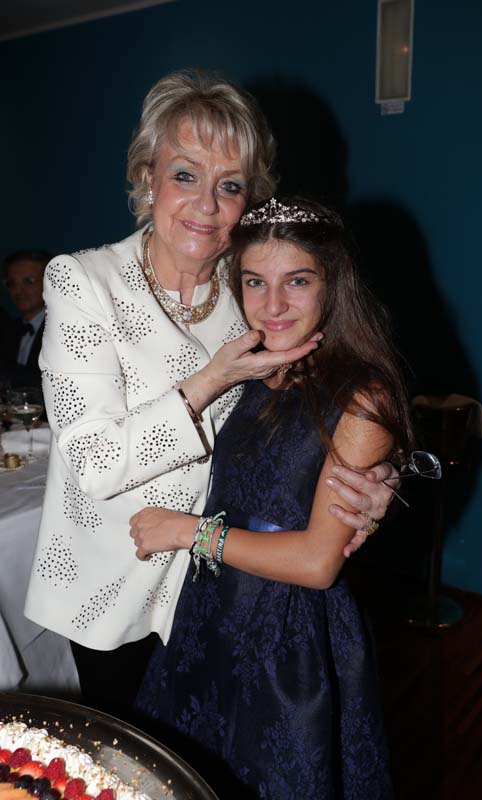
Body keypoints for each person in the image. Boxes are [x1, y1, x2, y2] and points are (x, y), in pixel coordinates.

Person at [24, 70, 397, 716]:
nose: (206, 205)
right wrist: (211, 380)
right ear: (148, 177)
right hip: (113, 587)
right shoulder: (84, 282)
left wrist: (376, 477)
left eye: (229, 185)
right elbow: (95, 464)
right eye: (185, 175)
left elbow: (324, 398)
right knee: (128, 755)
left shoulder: (251, 285)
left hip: (221, 587)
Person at [131, 197, 414, 799]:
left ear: (333, 284)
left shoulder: (362, 394)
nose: (274, 304)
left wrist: (186, 531)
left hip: (289, 636)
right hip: (211, 612)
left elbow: (317, 563)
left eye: (298, 281)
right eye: (255, 281)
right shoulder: (264, 367)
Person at [0, 250, 50, 388]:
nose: (18, 291)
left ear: (49, 283)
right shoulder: (9, 329)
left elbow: (52, 383)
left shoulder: (64, 330)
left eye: (29, 281)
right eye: (12, 283)